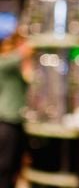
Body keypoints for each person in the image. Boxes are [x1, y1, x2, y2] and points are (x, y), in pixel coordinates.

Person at [0, 29, 31, 188]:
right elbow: (25, 51)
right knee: (4, 167)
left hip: (17, 121)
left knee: (15, 167)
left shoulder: (15, 68)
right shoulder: (4, 63)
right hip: (7, 122)